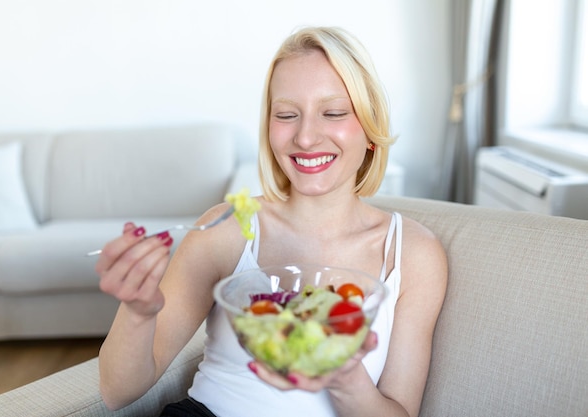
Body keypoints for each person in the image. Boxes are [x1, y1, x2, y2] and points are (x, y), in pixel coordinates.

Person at [96, 26, 447, 417]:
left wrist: (343, 374)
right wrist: (138, 312)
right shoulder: (225, 230)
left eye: (332, 113)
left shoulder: (413, 255)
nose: (306, 137)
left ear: (369, 128)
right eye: (286, 115)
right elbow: (117, 392)